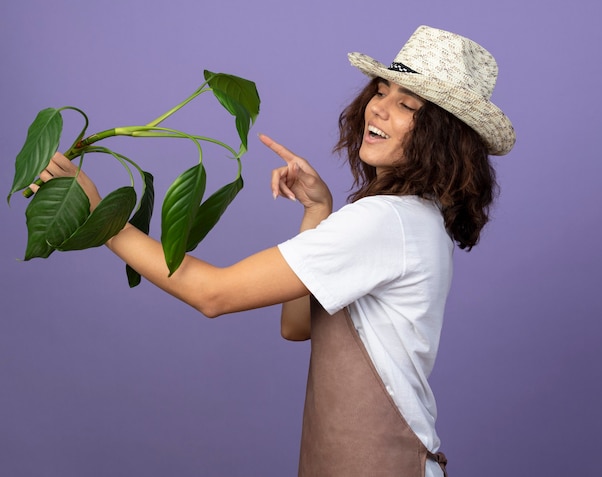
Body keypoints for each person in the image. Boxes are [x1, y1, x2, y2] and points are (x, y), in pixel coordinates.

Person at [34, 25, 515, 477]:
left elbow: (213, 294)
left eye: (408, 105)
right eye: (381, 91)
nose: (378, 108)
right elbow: (297, 326)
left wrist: (102, 219)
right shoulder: (412, 217)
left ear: (443, 136)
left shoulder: (385, 220)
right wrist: (316, 209)